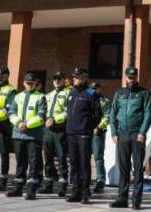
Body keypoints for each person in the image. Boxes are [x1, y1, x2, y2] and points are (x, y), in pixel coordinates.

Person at [108, 66, 151, 210]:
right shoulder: (119, 93)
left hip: (137, 134)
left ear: (137, 77)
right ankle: (122, 198)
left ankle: (136, 200)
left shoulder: (144, 93)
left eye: (134, 77)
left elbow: (148, 114)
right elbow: (112, 114)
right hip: (122, 134)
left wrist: (142, 132)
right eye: (129, 77)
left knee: (138, 168)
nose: (132, 79)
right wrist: (114, 133)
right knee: (123, 168)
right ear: (126, 77)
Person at [6, 72, 47, 200]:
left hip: (33, 136)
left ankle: (31, 190)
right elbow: (11, 112)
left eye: (32, 83)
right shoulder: (18, 96)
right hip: (18, 134)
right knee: (20, 163)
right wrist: (19, 123)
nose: (30, 85)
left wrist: (27, 125)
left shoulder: (41, 97)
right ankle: (17, 188)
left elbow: (41, 117)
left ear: (35, 84)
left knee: (33, 163)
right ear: (24, 83)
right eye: (28, 83)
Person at [65, 67, 102, 204]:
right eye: (74, 76)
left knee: (84, 163)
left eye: (77, 77)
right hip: (71, 133)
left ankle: (85, 193)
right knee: (74, 163)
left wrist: (87, 127)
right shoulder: (71, 92)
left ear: (84, 78)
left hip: (83, 134)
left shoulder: (91, 93)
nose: (74, 79)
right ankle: (76, 192)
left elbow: (98, 114)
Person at [40, 71, 70, 196]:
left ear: (64, 80)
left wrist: (55, 120)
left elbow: (68, 111)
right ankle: (48, 184)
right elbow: (43, 110)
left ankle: (62, 185)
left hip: (60, 129)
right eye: (55, 79)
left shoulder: (68, 93)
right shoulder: (49, 95)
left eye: (59, 79)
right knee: (48, 157)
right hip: (48, 130)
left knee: (62, 157)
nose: (56, 81)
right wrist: (44, 120)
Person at [90, 82, 110, 195]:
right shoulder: (87, 99)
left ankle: (100, 180)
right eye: (92, 89)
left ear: (99, 89)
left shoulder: (104, 101)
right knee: (85, 157)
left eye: (95, 88)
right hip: (86, 132)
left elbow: (107, 116)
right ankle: (86, 178)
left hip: (98, 133)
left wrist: (98, 127)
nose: (93, 90)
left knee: (98, 157)